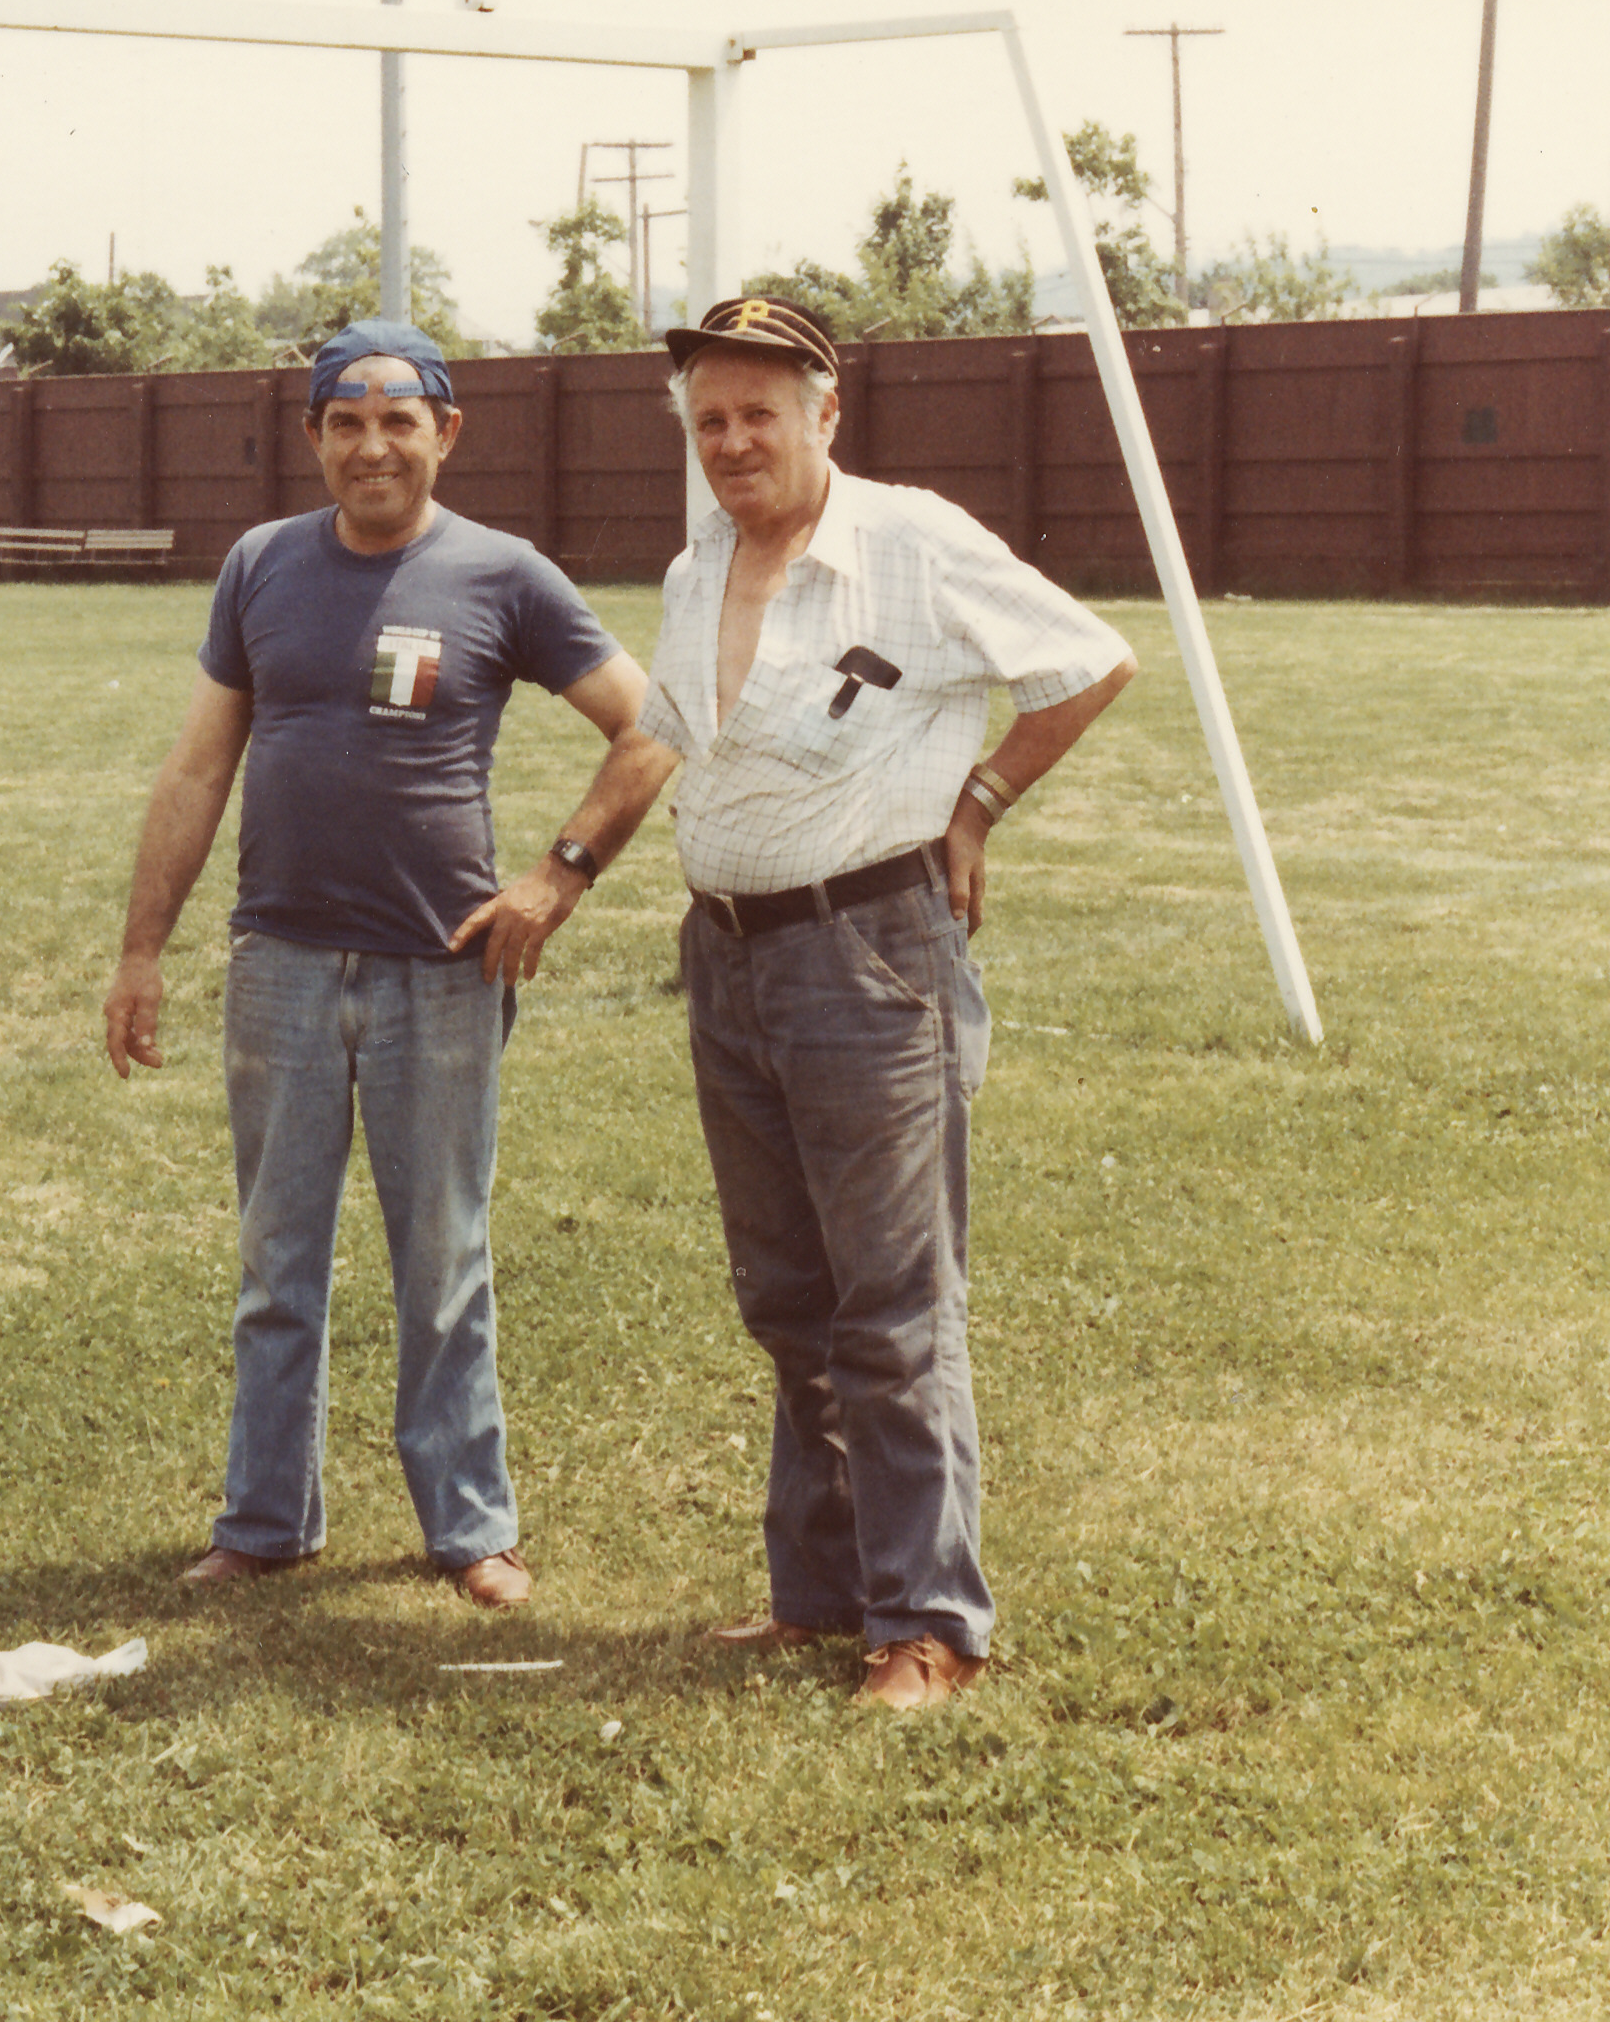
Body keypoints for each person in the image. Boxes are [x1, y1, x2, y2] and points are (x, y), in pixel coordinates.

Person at [102, 319, 666, 1610]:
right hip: (281, 967)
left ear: (445, 432)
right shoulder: (260, 567)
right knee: (275, 1258)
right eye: (345, 421)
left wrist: (555, 876)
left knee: (443, 1259)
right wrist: (143, 950)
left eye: (398, 418)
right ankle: (262, 1517)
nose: (372, 444)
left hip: (442, 970)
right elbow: (198, 766)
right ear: (313, 436)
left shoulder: (505, 575)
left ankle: (470, 1527)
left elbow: (649, 730)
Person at [635, 295, 1137, 1707]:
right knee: (789, 1295)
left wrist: (976, 805)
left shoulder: (910, 542)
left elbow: (1090, 662)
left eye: (760, 415)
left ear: (824, 414)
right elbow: (677, 737)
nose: (734, 442)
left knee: (894, 1302)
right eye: (711, 419)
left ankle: (929, 1623)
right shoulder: (697, 569)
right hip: (727, 957)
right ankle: (819, 1591)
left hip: (868, 955)